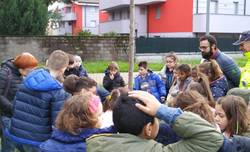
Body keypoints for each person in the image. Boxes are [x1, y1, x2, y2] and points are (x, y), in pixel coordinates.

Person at [87, 91, 224, 152]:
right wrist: (161, 110)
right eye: (156, 119)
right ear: (148, 129)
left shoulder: (93, 144)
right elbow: (212, 138)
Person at [5, 50, 69, 152]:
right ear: (64, 69)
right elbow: (57, 122)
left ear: (47, 62)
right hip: (37, 140)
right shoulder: (57, 91)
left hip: (17, 134)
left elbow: (15, 105)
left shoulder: (28, 78)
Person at [40, 93, 114, 152]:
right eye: (99, 115)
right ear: (87, 120)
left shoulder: (47, 146)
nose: (102, 117)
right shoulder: (94, 147)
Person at [0, 52, 38, 152]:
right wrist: (12, 108)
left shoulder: (20, 75)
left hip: (16, 114)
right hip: (6, 114)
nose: (32, 72)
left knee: (14, 141)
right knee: (9, 143)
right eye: (30, 70)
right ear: (22, 67)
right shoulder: (5, 73)